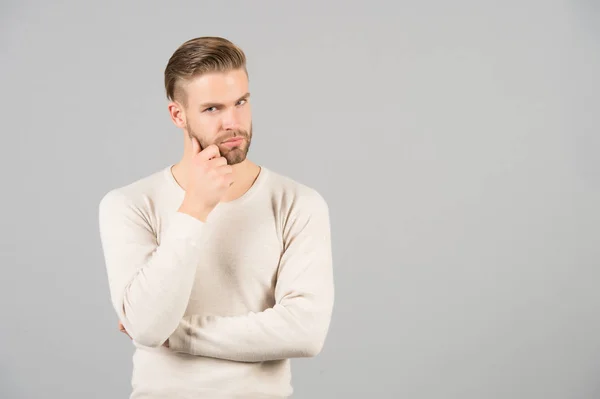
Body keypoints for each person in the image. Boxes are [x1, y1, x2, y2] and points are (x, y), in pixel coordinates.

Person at [97, 36, 334, 398]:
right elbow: (146, 326)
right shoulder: (129, 204)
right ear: (178, 115)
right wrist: (195, 208)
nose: (233, 122)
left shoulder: (297, 203)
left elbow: (306, 331)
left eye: (241, 102)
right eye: (212, 109)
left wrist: (175, 334)